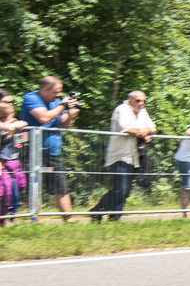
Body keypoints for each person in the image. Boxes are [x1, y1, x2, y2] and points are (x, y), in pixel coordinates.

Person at [20, 76, 80, 221]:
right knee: (34, 186)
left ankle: (68, 219)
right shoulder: (31, 98)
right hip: (32, 150)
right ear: (45, 89)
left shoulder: (56, 102)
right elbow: (43, 118)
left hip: (52, 151)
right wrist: (63, 106)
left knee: (61, 185)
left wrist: (71, 115)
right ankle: (36, 220)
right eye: (56, 92)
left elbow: (63, 124)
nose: (58, 95)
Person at [91, 90, 155, 222]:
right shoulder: (122, 109)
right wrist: (143, 133)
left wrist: (147, 131)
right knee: (121, 189)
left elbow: (152, 126)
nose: (141, 103)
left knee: (125, 191)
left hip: (135, 156)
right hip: (120, 155)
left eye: (143, 101)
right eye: (138, 101)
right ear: (130, 100)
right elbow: (126, 128)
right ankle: (96, 210)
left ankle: (114, 218)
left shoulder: (142, 112)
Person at [0, 92, 28, 224]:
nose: (9, 105)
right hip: (2, 161)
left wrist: (13, 125)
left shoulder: (14, 122)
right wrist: (8, 126)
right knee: (3, 189)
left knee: (15, 187)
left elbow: (23, 124)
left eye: (11, 102)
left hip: (12, 161)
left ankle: (6, 216)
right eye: (6, 102)